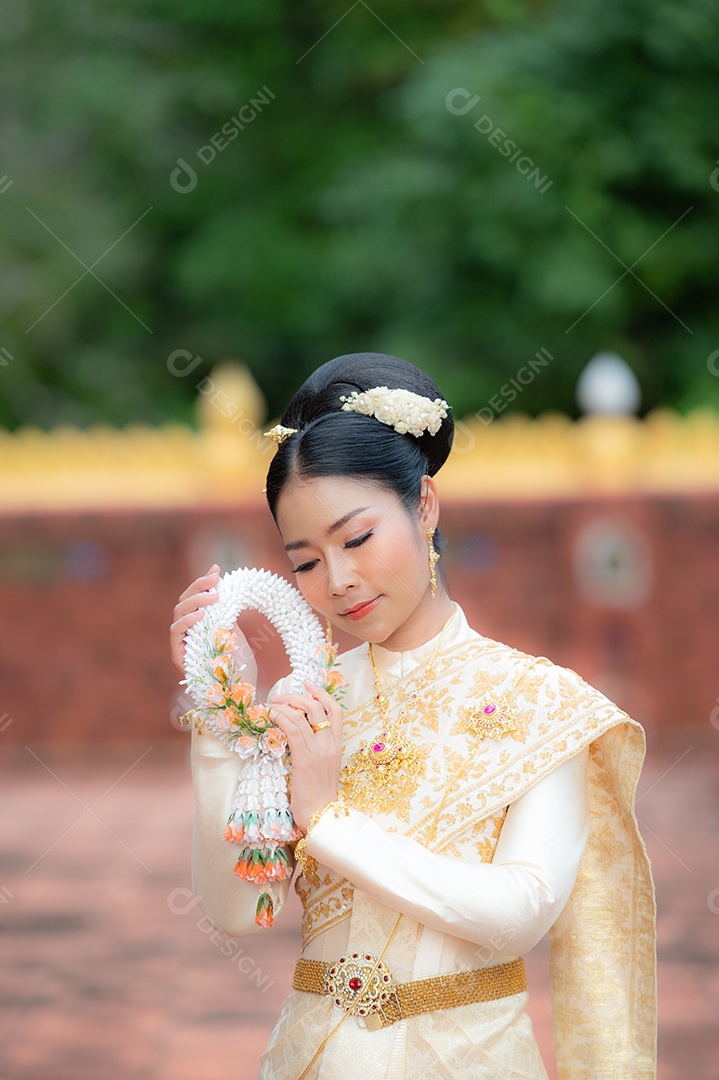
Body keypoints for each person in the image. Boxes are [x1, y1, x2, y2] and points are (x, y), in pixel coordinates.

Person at [170, 353, 657, 1080]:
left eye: (357, 538)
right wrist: (220, 714)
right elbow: (238, 911)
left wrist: (328, 820)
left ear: (423, 507)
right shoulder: (308, 705)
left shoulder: (538, 702)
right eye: (303, 562)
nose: (338, 580)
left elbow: (519, 911)